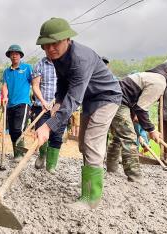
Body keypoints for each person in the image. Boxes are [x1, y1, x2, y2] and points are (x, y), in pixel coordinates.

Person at [35, 18, 122, 209]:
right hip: (90, 98)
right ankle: (88, 184)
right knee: (83, 143)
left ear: (67, 39)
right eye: (46, 46)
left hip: (107, 97)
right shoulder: (58, 58)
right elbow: (63, 84)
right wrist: (58, 102)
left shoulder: (80, 59)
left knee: (92, 142)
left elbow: (74, 99)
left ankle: (91, 198)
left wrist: (49, 126)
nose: (50, 49)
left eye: (54, 43)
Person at [107, 59, 167, 182]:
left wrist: (136, 115)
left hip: (119, 99)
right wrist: (152, 130)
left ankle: (111, 169)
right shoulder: (159, 82)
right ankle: (135, 176)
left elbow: (138, 103)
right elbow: (141, 108)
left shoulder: (159, 75)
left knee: (119, 136)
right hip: (119, 100)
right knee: (129, 137)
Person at [32, 51, 65, 174]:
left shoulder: (64, 64)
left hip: (60, 107)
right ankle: (42, 155)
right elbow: (35, 86)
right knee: (41, 132)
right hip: (43, 106)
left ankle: (51, 165)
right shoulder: (40, 64)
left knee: (56, 136)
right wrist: (43, 101)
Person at [1, 44, 33, 161]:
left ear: (20, 55)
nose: (14, 56)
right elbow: (4, 85)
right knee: (12, 130)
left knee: (18, 129)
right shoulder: (6, 72)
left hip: (23, 103)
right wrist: (4, 96)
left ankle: (20, 154)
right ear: (9, 56)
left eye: (16, 54)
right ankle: (17, 154)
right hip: (10, 104)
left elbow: (34, 82)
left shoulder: (27, 68)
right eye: (12, 54)